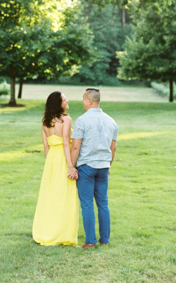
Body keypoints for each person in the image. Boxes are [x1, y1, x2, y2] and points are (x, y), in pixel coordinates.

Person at [71, 87, 119, 249]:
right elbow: (113, 148)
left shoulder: (81, 120)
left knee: (87, 205)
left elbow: (76, 147)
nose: (82, 100)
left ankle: (90, 241)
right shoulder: (112, 122)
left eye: (83, 98)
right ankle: (104, 240)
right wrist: (108, 165)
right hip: (103, 167)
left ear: (90, 101)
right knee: (103, 204)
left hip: (86, 167)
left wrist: (71, 166)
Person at [32, 90, 79, 246]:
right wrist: (70, 165)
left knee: (51, 195)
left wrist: (50, 164)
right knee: (64, 195)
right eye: (64, 99)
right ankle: (62, 234)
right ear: (57, 104)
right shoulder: (66, 120)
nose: (67, 101)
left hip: (51, 160)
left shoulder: (45, 122)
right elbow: (66, 143)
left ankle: (48, 230)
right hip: (63, 159)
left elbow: (46, 147)